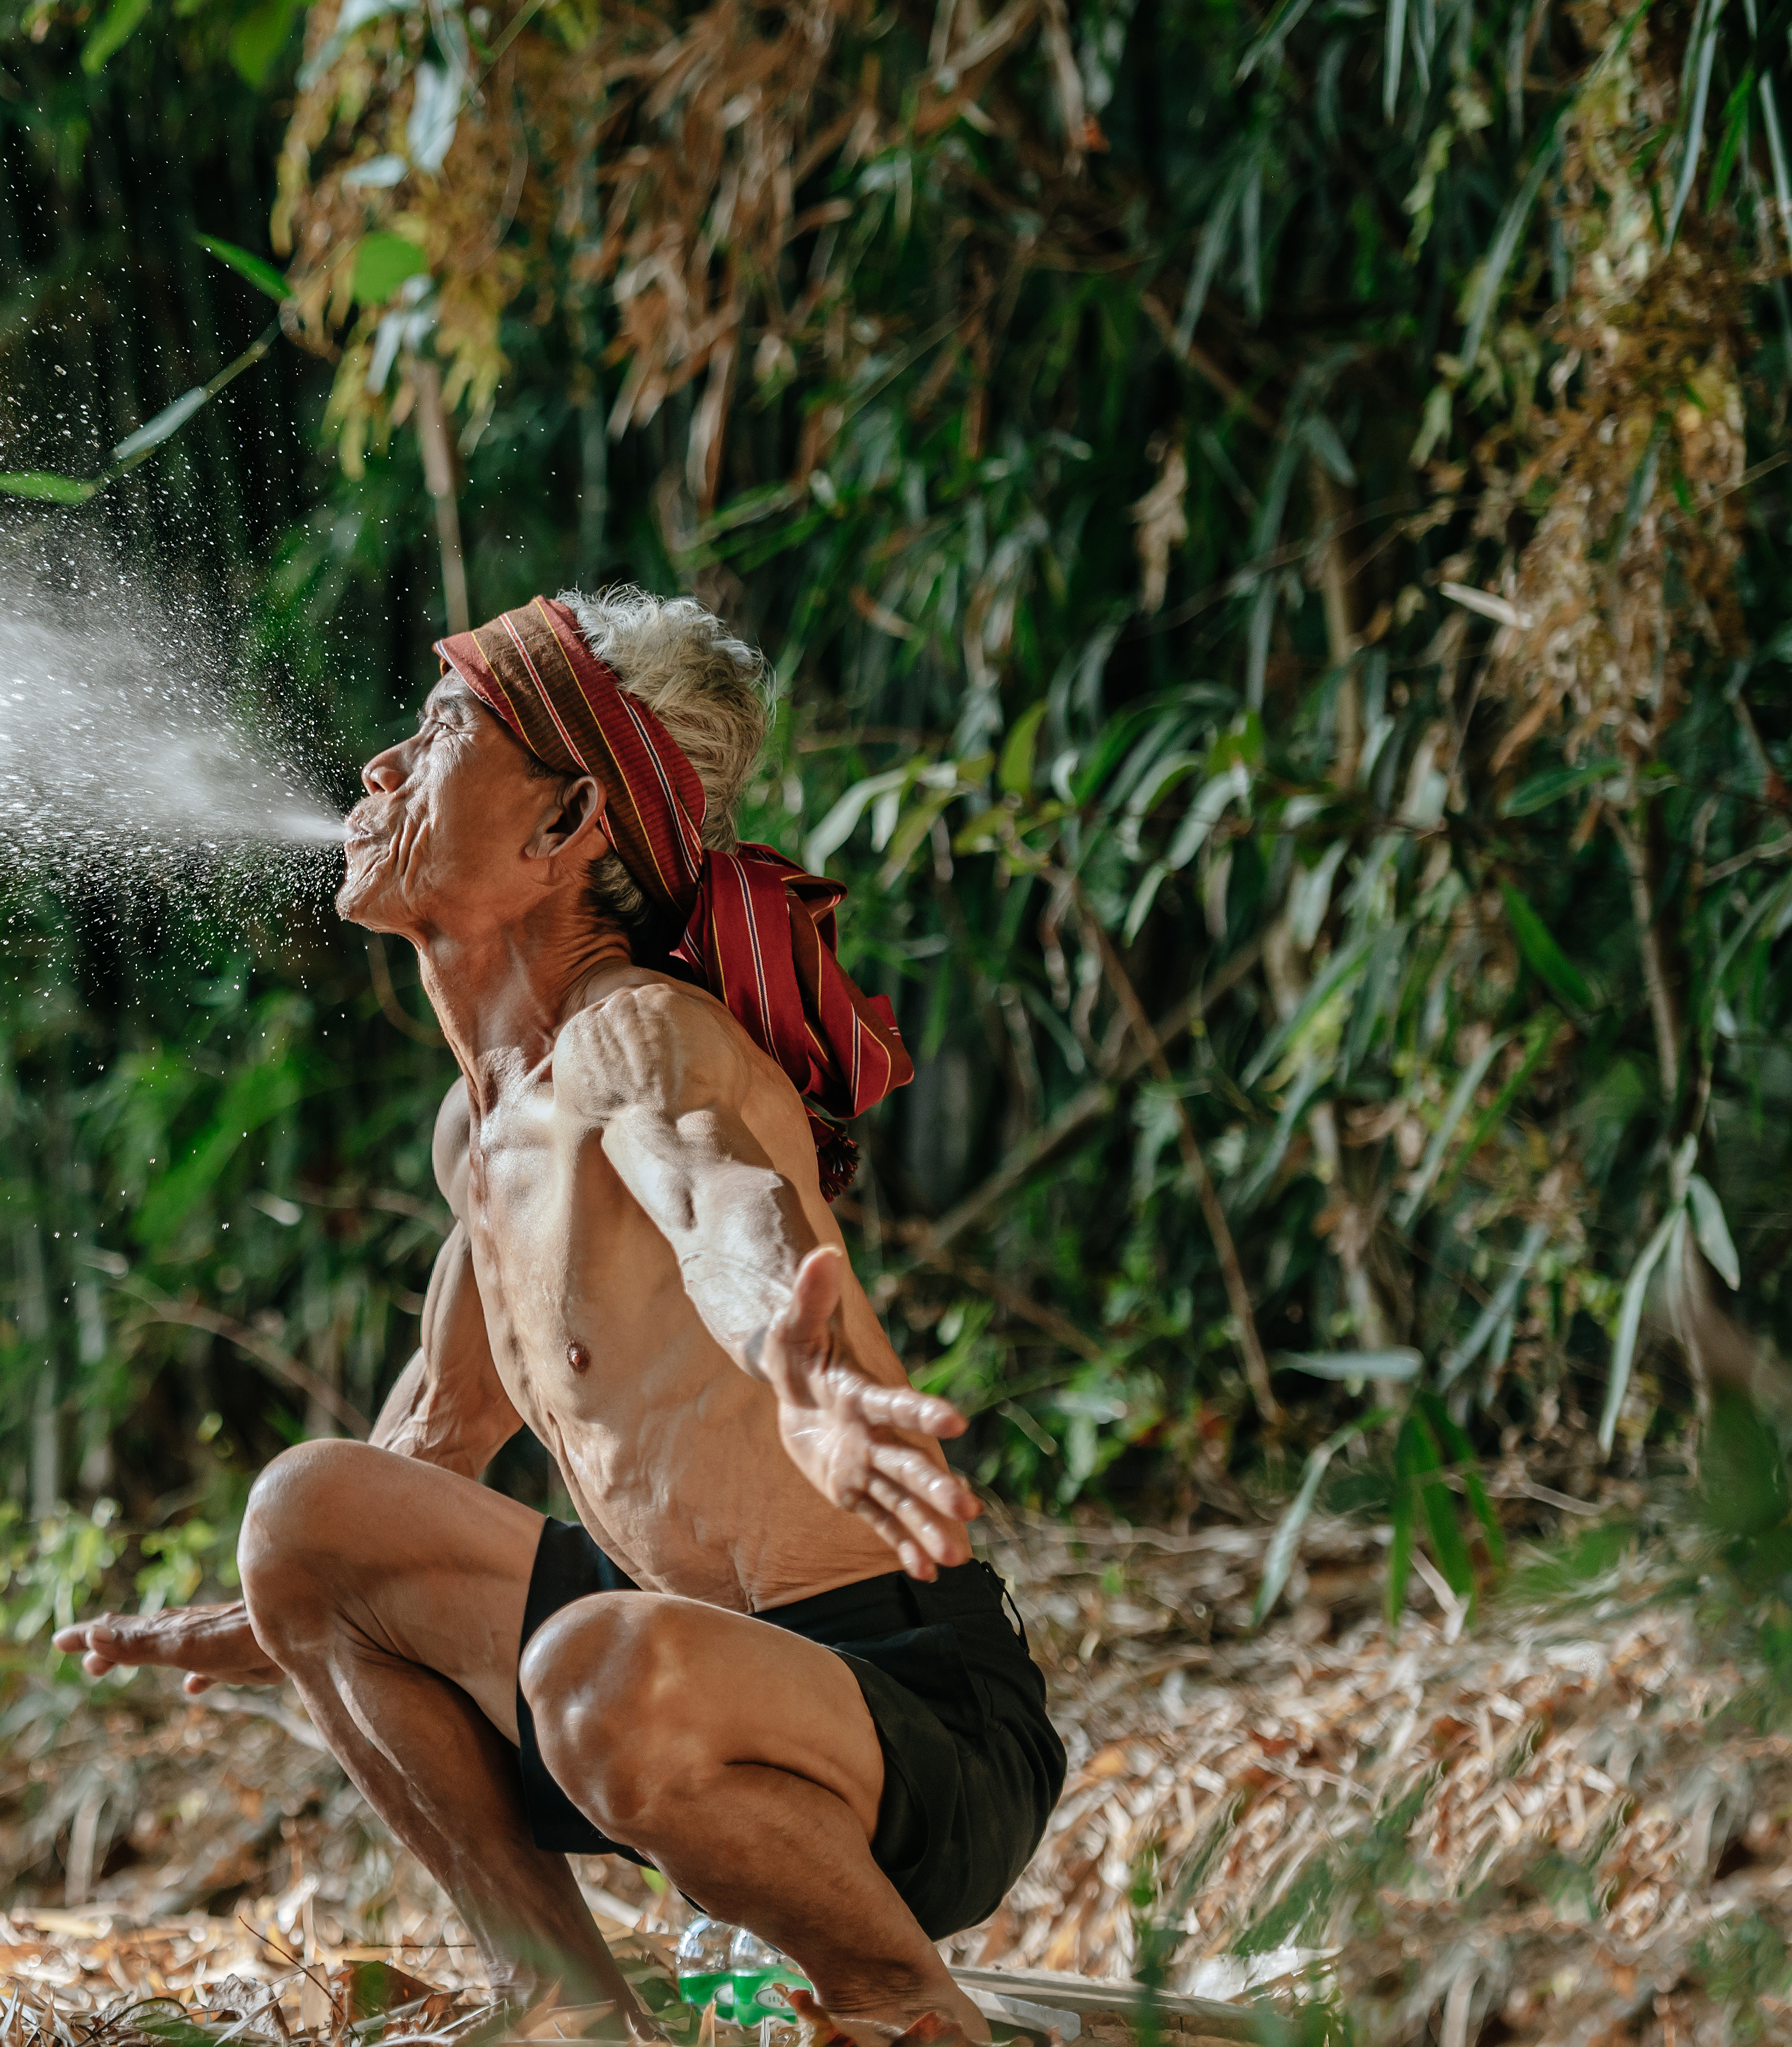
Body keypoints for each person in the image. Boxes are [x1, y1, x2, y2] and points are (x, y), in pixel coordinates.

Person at [55, 592, 1062, 2046]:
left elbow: (724, 1195)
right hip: (669, 1700)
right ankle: (566, 2006)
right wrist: (271, 1614)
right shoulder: (486, 1135)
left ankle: (902, 2001)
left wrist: (808, 1375)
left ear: (565, 822)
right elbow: (424, 1454)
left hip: (910, 1716)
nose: (381, 769)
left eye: (442, 731)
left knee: (590, 1663)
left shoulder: (636, 1032)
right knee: (308, 1512)